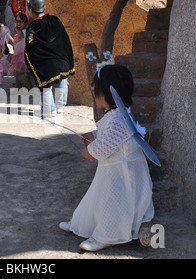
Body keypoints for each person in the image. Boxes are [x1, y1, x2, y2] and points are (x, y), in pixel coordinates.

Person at [59, 64, 155, 252]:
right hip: (113, 169)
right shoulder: (117, 114)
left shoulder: (118, 119)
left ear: (105, 95)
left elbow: (105, 146)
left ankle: (107, 235)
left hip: (122, 173)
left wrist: (90, 150)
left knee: (112, 203)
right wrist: (94, 135)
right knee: (97, 197)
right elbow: (108, 133)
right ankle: (82, 223)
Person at [24, 0, 74, 117]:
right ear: (44, 7)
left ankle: (49, 110)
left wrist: (33, 67)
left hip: (46, 65)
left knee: (45, 85)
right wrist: (68, 61)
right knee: (62, 80)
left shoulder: (32, 28)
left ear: (30, 10)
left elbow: (30, 50)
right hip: (62, 61)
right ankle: (60, 107)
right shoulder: (55, 20)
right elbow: (65, 40)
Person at [7, 12, 35, 91]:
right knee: (16, 74)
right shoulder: (18, 32)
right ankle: (17, 88)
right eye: (17, 21)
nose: (18, 23)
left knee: (17, 72)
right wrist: (8, 36)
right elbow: (15, 41)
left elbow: (21, 36)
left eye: (21, 21)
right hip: (18, 57)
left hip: (24, 58)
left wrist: (17, 28)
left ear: (26, 23)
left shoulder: (25, 32)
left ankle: (27, 85)